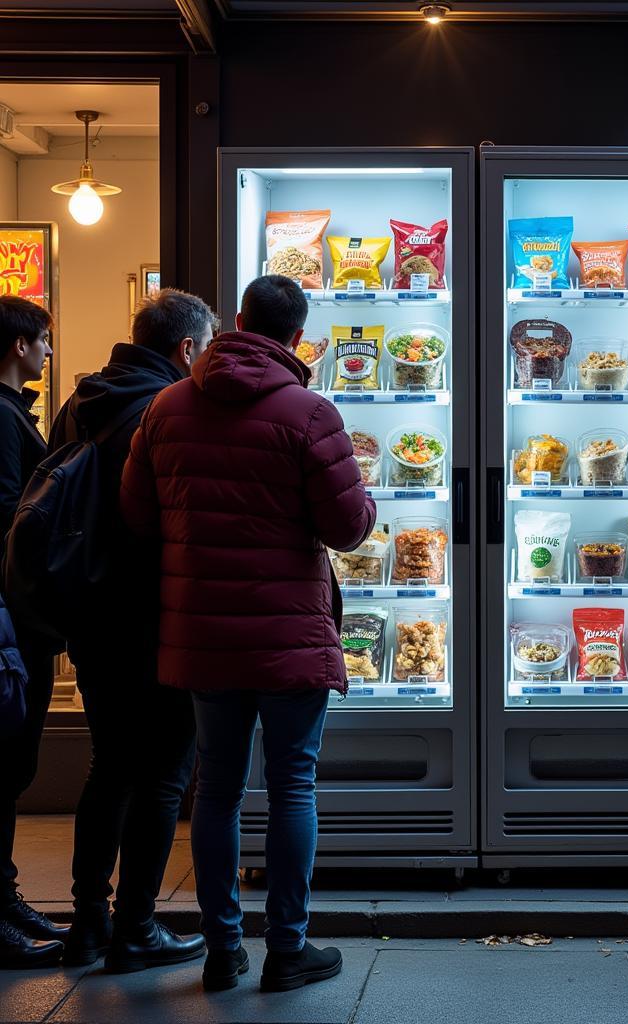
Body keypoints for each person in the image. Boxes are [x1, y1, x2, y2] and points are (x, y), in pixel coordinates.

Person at [120, 274, 376, 993]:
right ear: (298, 338)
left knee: (218, 789)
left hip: (203, 633)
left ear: (236, 321)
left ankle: (221, 949)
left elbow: (137, 515)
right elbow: (349, 528)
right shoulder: (310, 413)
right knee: (293, 782)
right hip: (289, 633)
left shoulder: (166, 408)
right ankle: (287, 951)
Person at [48, 290, 217, 971]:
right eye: (203, 350)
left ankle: (88, 920)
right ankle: (137, 927)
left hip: (90, 615)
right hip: (155, 615)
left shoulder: (80, 402)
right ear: (185, 350)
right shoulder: (168, 410)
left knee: (110, 766)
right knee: (166, 773)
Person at [0, 296, 68, 969]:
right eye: (43, 341)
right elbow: (8, 519)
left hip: (20, 623)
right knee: (4, 767)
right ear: (19, 346)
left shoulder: (12, 413)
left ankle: (7, 895)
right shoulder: (0, 416)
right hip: (11, 628)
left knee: (12, 770)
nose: (48, 351)